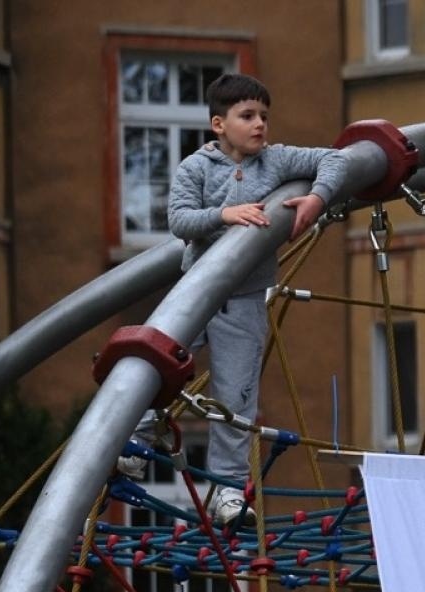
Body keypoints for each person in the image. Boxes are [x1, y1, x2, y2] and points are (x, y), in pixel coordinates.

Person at [118, 73, 347, 527]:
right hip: (196, 292)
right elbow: (180, 220)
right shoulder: (197, 168)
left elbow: (336, 159)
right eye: (247, 116)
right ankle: (136, 443)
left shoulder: (276, 161)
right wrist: (224, 214)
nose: (260, 124)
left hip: (243, 300)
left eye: (264, 116)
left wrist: (317, 199)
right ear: (219, 124)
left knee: (236, 397)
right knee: (160, 364)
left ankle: (227, 490)